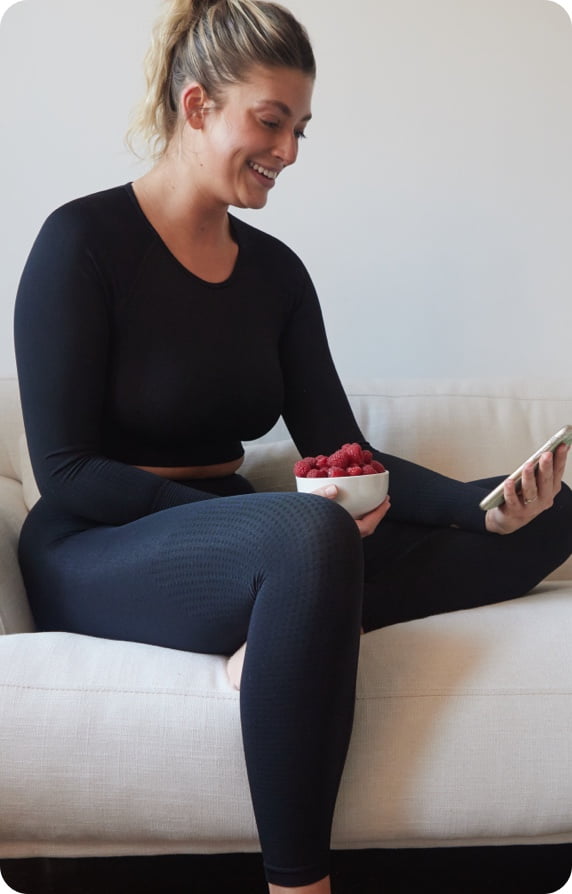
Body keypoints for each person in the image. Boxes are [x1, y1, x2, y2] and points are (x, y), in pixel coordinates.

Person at [13, 1, 572, 891]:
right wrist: (275, 528)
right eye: (271, 122)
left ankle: (290, 620)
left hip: (249, 539)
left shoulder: (275, 273)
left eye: (300, 128)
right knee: (307, 535)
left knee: (553, 517)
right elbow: (66, 473)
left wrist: (483, 507)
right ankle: (300, 882)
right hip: (99, 541)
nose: (290, 151)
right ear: (198, 106)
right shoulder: (81, 243)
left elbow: (340, 448)